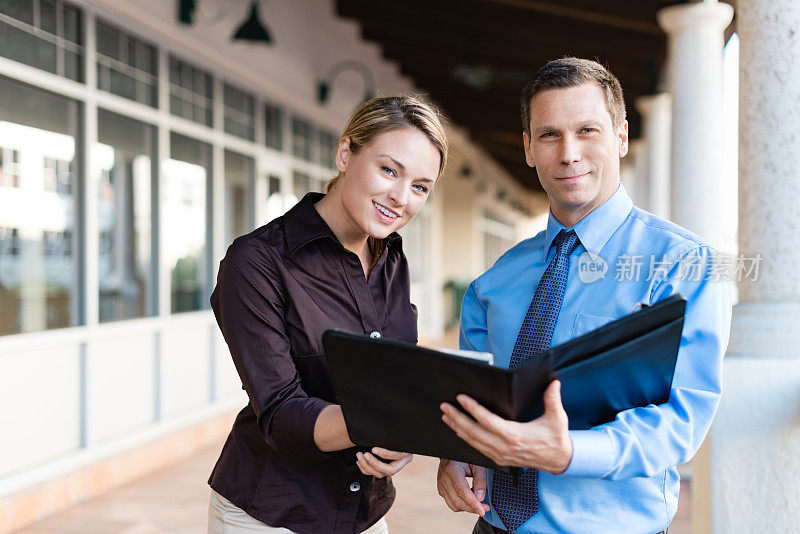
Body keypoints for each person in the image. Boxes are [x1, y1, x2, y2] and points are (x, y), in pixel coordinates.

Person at [436, 57, 732, 534]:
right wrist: (458, 455)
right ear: (529, 148)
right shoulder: (496, 280)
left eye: (587, 130)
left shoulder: (685, 265)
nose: (569, 153)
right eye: (549, 135)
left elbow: (682, 420)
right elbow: (474, 398)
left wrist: (570, 453)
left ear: (620, 136)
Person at [207, 94, 448, 534]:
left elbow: (394, 377)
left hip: (366, 515)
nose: (400, 197)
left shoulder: (391, 259)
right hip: (269, 518)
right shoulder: (257, 262)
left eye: (420, 186)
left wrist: (404, 434)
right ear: (345, 153)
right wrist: (393, 417)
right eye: (388, 170)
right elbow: (281, 414)